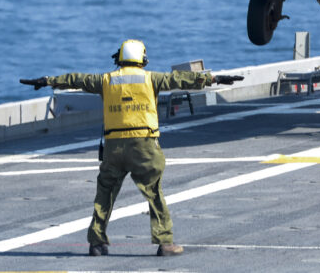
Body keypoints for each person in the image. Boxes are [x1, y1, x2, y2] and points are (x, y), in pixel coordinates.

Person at [20, 39, 242, 257]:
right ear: (142, 59)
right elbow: (181, 80)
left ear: (120, 58)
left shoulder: (106, 80)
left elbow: (77, 79)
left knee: (105, 193)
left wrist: (48, 80)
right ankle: (165, 243)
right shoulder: (151, 78)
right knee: (154, 193)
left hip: (114, 147)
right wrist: (213, 78)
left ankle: (96, 242)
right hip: (144, 146)